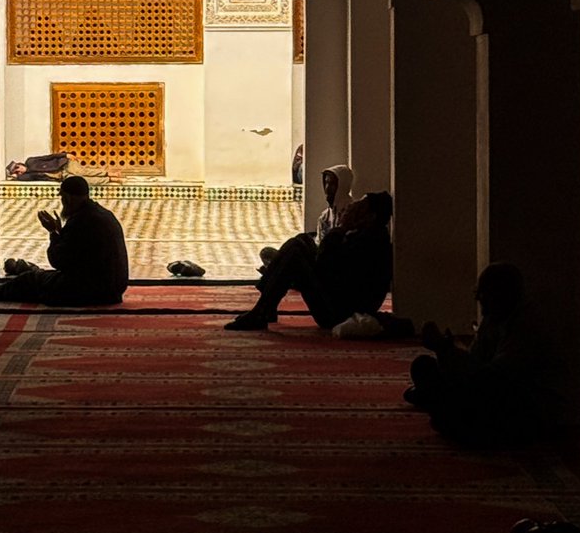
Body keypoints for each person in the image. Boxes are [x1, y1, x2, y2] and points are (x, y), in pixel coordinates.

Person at [404, 262, 560, 446]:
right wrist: (447, 352)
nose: (482, 307)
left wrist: (444, 350)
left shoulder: (527, 325)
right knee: (423, 365)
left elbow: (494, 378)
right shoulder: (494, 316)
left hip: (525, 404)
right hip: (492, 388)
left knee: (447, 417)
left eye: (484, 299)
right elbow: (475, 360)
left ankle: (439, 400)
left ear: (504, 296)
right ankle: (439, 398)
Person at [225, 191, 393, 331]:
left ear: (370, 217)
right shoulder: (367, 234)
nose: (353, 206)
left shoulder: (371, 241)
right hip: (338, 302)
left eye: (360, 206)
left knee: (296, 251)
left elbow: (327, 264)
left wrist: (341, 228)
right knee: (301, 241)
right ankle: (266, 307)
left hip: (338, 314)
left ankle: (262, 310)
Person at [0, 175, 128, 306]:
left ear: (67, 198)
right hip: (113, 290)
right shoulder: (101, 214)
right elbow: (78, 252)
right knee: (44, 277)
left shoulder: (80, 221)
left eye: (62, 197)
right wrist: (61, 231)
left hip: (93, 291)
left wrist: (53, 233)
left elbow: (58, 261)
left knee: (32, 280)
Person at [316, 164, 353, 241]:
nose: (327, 188)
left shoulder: (353, 212)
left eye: (332, 184)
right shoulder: (324, 217)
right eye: (326, 182)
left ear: (342, 185)